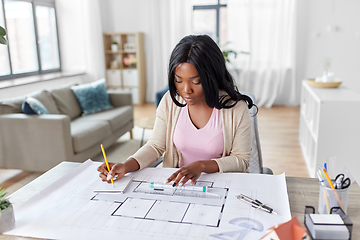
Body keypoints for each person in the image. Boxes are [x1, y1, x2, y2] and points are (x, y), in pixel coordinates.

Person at [98, 34, 255, 187]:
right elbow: (155, 146)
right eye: (178, 80)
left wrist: (201, 166)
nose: (186, 90)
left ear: (212, 77)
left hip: (221, 185)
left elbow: (241, 160)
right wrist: (126, 166)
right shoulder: (171, 100)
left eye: (196, 82)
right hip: (179, 185)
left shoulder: (235, 108)